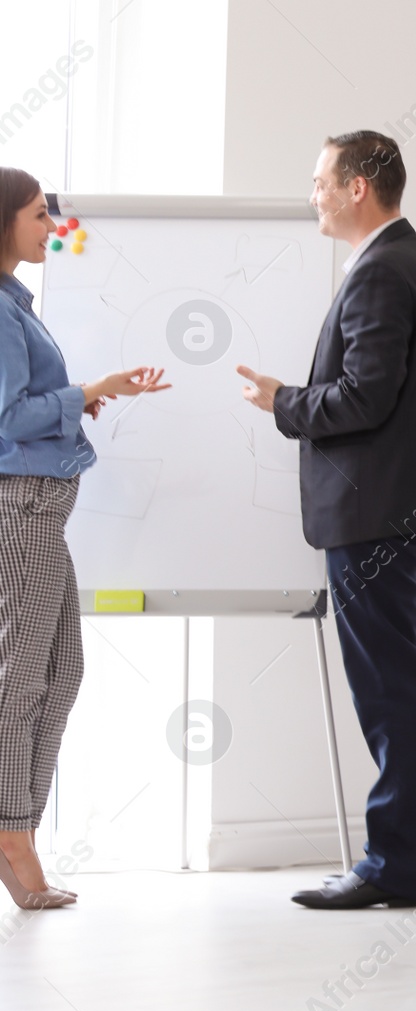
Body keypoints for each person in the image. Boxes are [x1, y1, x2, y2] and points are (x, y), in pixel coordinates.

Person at [237, 131, 416, 909]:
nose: (312, 193)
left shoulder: (382, 271)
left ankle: (389, 866)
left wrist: (282, 402)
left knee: (390, 688)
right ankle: (410, 864)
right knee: (411, 683)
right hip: (409, 509)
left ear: (359, 186)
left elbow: (366, 397)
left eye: (320, 180)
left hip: (376, 516)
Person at [0, 166, 169, 909]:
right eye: (39, 216)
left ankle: (18, 827)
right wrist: (91, 390)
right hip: (24, 510)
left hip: (46, 511)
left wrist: (80, 403)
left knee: (61, 671)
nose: (50, 228)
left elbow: (30, 409)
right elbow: (6, 422)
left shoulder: (15, 302)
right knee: (21, 679)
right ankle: (12, 835)